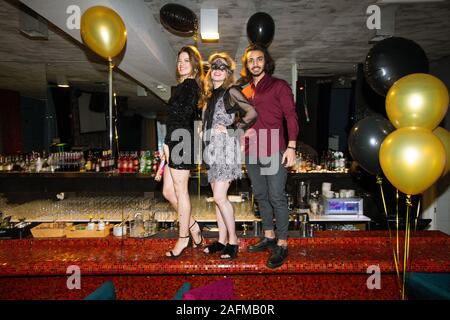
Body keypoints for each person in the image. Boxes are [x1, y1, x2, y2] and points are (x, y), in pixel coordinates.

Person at [241, 44, 299, 268]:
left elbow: (291, 116)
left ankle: (282, 243)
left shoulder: (279, 85)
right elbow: (245, 119)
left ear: (266, 62)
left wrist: (291, 147)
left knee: (276, 196)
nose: (255, 63)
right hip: (251, 149)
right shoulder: (245, 91)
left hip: (274, 147)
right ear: (246, 65)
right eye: (250, 60)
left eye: (259, 59)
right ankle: (269, 236)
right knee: (261, 195)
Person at [201, 52, 257, 259]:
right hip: (211, 150)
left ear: (227, 73)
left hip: (225, 149)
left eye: (222, 66)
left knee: (219, 197)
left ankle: (233, 241)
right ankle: (222, 240)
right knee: (218, 199)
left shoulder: (231, 92)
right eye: (214, 65)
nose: (217, 69)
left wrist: (233, 126)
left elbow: (252, 113)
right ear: (210, 71)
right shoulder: (210, 95)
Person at [163, 46, 204, 258]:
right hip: (175, 140)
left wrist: (170, 143)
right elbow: (173, 119)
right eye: (179, 60)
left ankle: (183, 239)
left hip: (181, 140)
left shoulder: (190, 86)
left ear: (194, 65)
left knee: (180, 191)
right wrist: (165, 144)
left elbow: (182, 116)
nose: (181, 64)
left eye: (186, 60)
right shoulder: (181, 86)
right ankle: (194, 226)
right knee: (168, 192)